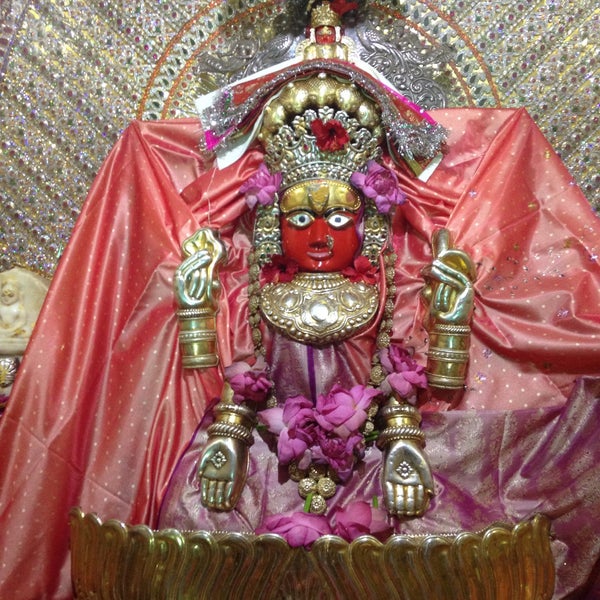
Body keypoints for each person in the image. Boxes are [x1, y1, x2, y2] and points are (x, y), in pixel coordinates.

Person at [0, 2, 599, 598]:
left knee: (426, 548)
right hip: (267, 457)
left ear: (367, 224)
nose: (319, 235)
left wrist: (408, 430)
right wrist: (225, 430)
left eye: (339, 218)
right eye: (300, 218)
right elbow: (237, 379)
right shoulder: (255, 291)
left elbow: (410, 380)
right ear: (270, 226)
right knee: (194, 537)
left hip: (372, 456)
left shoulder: (386, 288)